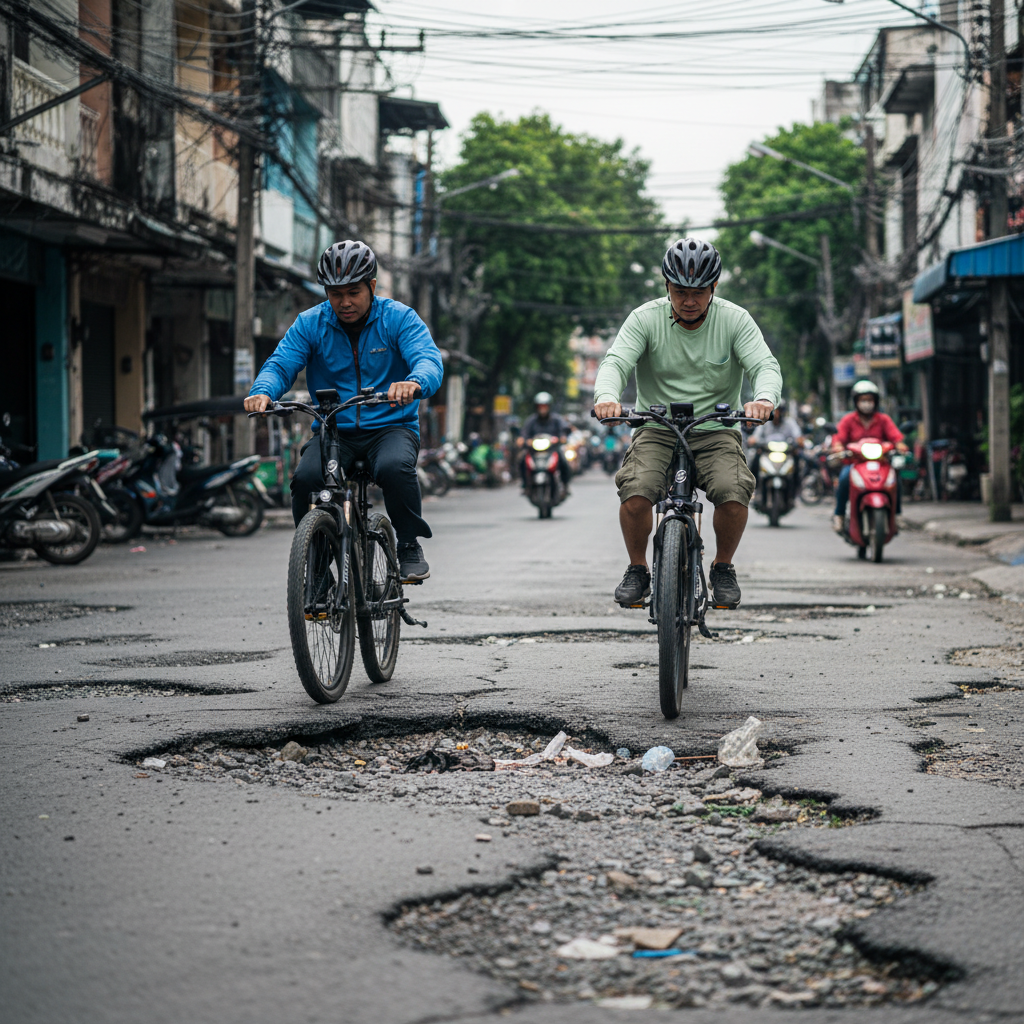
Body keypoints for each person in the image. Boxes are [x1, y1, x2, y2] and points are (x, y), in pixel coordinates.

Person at [593, 237, 781, 610]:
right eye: (680, 291)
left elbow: (764, 366)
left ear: (714, 288)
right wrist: (606, 399)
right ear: (667, 287)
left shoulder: (735, 319)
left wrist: (763, 400)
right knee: (636, 489)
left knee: (734, 488)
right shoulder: (644, 319)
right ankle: (638, 569)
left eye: (699, 292)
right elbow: (615, 363)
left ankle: (723, 567)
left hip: (716, 430)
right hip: (656, 427)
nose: (689, 301)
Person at [244, 240, 443, 582]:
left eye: (353, 292)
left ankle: (409, 543)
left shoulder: (398, 318)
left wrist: (413, 382)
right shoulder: (311, 323)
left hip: (391, 427)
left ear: (372, 287)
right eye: (335, 294)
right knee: (306, 478)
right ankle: (319, 569)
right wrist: (262, 391)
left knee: (395, 468)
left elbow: (428, 360)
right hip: (334, 431)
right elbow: (281, 364)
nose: (345, 302)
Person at [831, 380, 907, 533]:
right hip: (855, 464)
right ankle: (839, 515)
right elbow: (838, 439)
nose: (866, 403)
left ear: (875, 401)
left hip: (881, 464)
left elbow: (896, 437)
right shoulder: (848, 420)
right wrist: (838, 448)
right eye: (863, 400)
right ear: (856, 402)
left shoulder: (883, 419)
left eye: (870, 400)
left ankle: (897, 515)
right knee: (844, 478)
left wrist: (900, 445)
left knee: (894, 480)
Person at [519, 391, 573, 494]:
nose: (542, 408)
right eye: (540, 406)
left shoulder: (557, 419)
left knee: (564, 461)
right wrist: (523, 440)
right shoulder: (531, 420)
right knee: (521, 460)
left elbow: (564, 430)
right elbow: (524, 434)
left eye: (545, 406)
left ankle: (565, 485)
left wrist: (562, 437)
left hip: (552, 449)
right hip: (535, 451)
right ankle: (525, 484)